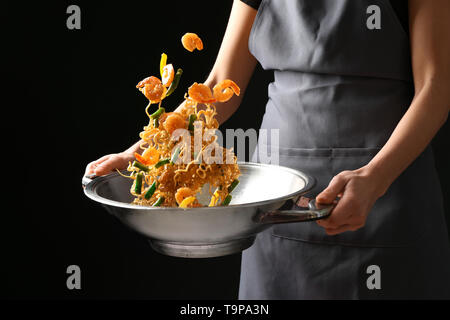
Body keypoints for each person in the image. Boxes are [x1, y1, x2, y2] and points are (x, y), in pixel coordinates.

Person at [85, 0, 450, 299]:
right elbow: (218, 87)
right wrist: (145, 153)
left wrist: (374, 178)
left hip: (385, 199)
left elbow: (435, 88)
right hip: (275, 207)